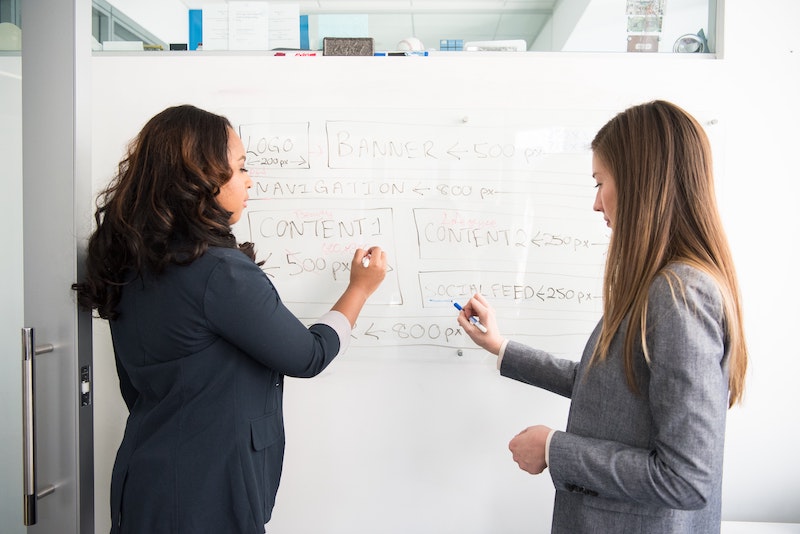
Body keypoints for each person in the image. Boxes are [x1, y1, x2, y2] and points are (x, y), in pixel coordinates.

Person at [73, 104, 387, 533]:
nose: (249, 180)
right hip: (205, 494)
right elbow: (308, 356)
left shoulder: (128, 259)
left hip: (145, 478)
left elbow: (139, 386)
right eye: (239, 168)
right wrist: (360, 289)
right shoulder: (218, 272)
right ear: (198, 178)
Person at [456, 100, 747, 533]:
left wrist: (556, 450)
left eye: (600, 182)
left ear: (640, 184)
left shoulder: (679, 295)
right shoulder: (659, 286)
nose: (596, 204)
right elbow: (609, 392)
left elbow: (687, 479)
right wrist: (501, 348)